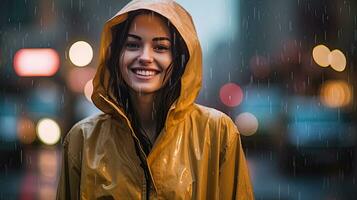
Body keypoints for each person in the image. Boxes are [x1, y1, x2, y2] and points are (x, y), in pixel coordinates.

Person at [56, 0, 254, 199]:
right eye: (133, 45)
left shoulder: (218, 132)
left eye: (160, 47)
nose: (145, 56)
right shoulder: (82, 139)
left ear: (179, 60)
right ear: (115, 55)